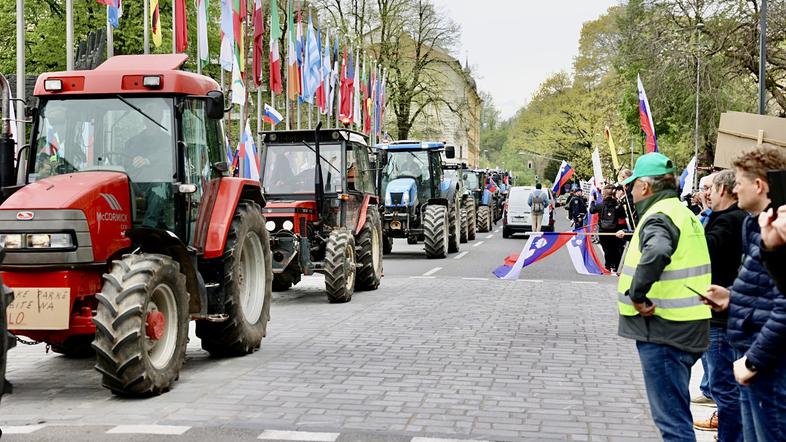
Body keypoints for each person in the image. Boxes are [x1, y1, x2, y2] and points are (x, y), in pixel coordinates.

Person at [617, 152, 712, 442]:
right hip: (688, 325)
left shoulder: (659, 216)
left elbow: (657, 250)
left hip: (665, 329)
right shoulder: (683, 213)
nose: (631, 192)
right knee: (676, 415)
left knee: (672, 422)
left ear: (645, 186)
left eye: (633, 185)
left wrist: (637, 294)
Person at [702, 146, 786, 442]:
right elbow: (762, 289)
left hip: (767, 358)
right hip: (752, 350)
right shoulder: (753, 223)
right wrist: (730, 297)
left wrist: (754, 361)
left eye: (739, 182)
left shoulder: (777, 229)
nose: (734, 189)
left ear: (759, 185)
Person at [691, 170, 746, 439]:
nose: (706, 194)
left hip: (722, 316)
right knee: (726, 386)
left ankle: (729, 435)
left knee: (724, 387)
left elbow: (705, 252)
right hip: (722, 312)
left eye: (709, 189)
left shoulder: (728, 221)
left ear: (723, 190)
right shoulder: (728, 218)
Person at [124, 106, 174, 229]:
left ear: (160, 118)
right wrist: (131, 160)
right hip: (136, 182)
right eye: (148, 117)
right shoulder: (132, 142)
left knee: (159, 186)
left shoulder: (168, 142)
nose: (151, 120)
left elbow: (167, 156)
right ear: (144, 120)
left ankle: (148, 227)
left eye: (154, 117)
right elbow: (125, 162)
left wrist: (147, 160)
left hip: (160, 182)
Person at [590, 184, 626, 272]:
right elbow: (623, 216)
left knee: (606, 249)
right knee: (616, 248)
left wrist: (592, 202)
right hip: (615, 230)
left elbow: (592, 210)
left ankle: (608, 265)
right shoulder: (617, 205)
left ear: (604, 193)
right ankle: (616, 266)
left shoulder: (600, 205)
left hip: (603, 231)